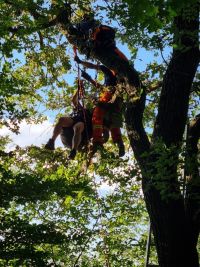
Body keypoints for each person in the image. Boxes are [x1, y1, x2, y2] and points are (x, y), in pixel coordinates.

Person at [74, 55, 125, 157]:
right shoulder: (120, 74)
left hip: (110, 95)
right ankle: (119, 141)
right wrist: (89, 79)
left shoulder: (109, 69)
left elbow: (93, 66)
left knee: (97, 115)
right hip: (117, 100)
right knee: (112, 121)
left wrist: (80, 61)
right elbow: (102, 87)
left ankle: (97, 141)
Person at [44, 91, 93, 159]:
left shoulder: (91, 114)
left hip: (83, 126)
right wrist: (77, 91)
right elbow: (74, 100)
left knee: (78, 126)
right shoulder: (81, 109)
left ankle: (74, 150)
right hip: (73, 120)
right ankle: (52, 141)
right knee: (62, 119)